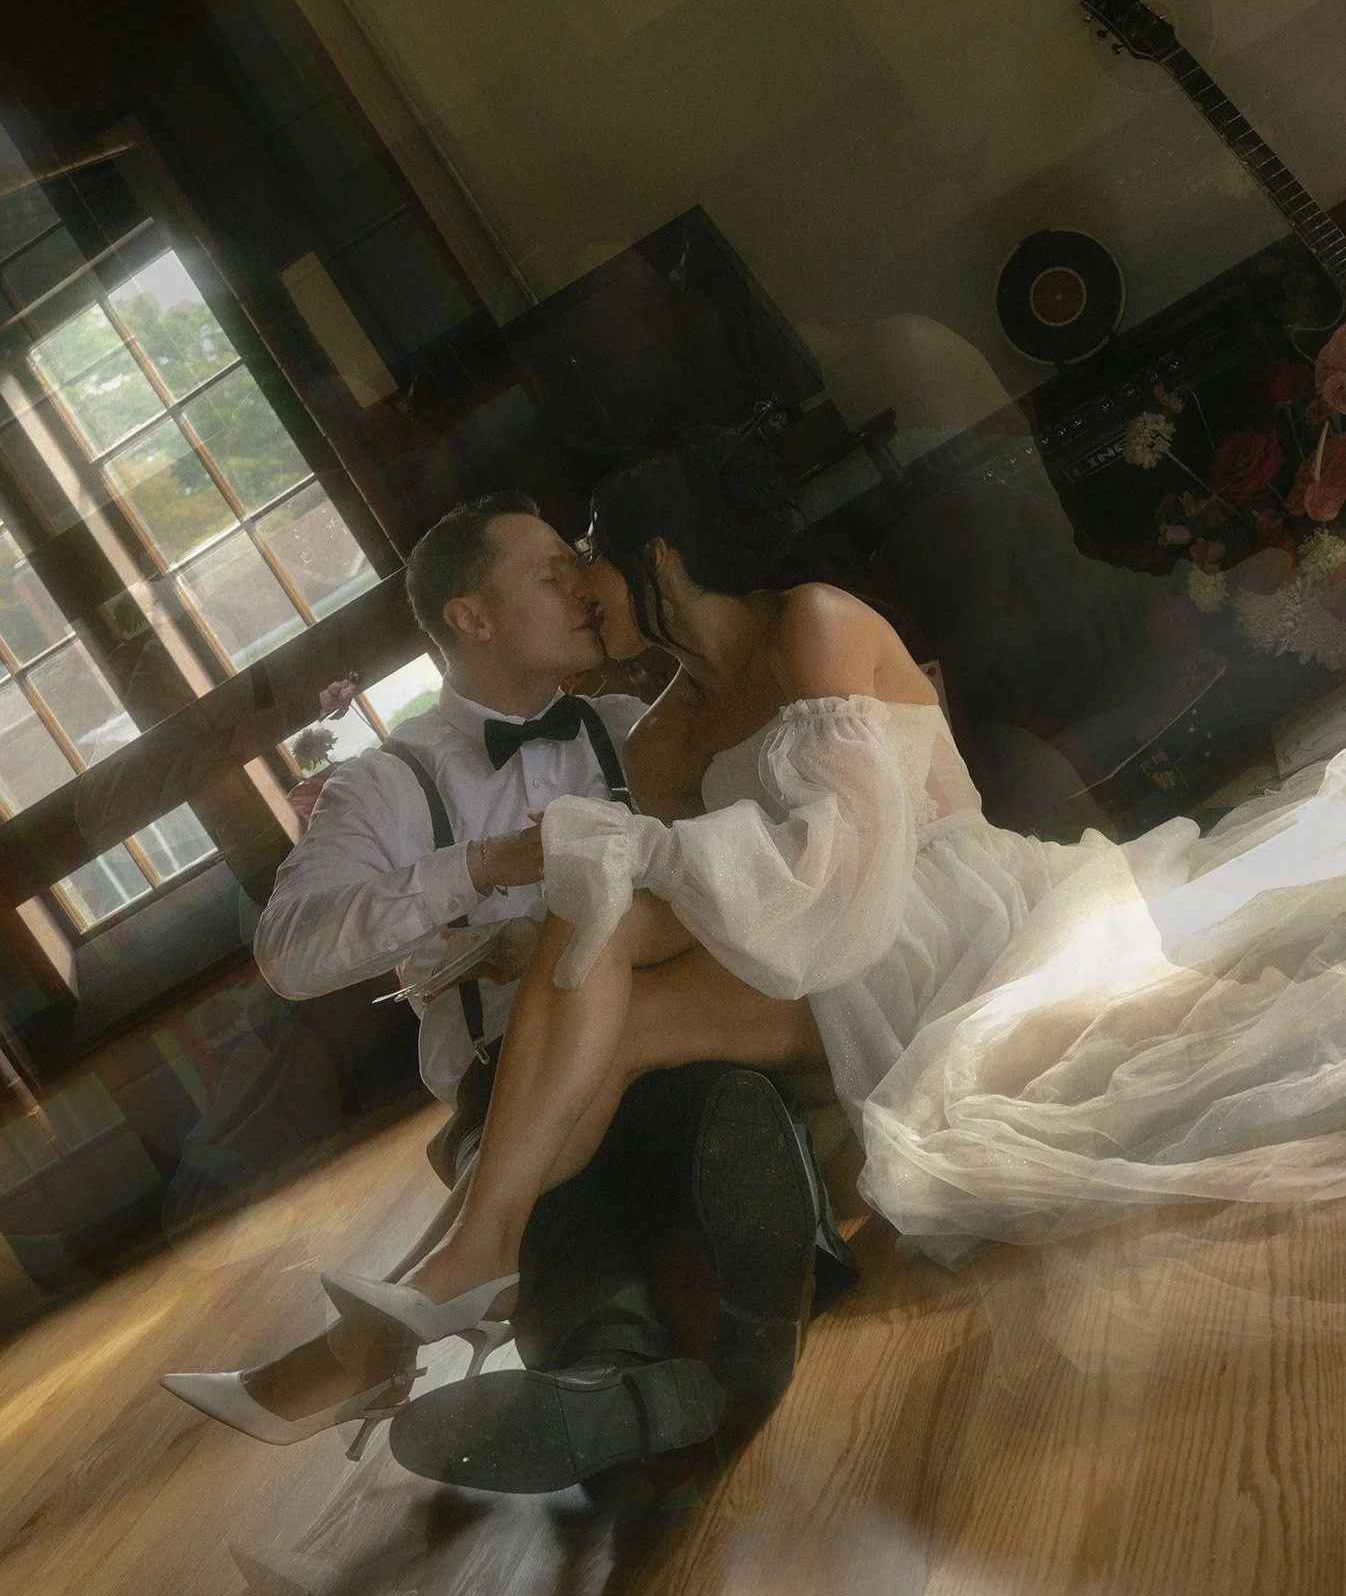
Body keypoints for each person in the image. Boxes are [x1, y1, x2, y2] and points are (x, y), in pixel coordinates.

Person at [321, 441, 1346, 1446]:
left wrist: (616, 865)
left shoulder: (812, 622)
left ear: (661, 554)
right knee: (596, 961)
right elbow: (715, 899)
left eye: (586, 548)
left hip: (947, 916)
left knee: (600, 951)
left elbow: (842, 873)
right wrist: (584, 897)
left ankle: (451, 1271)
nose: (580, 582)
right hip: (812, 958)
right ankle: (457, 1270)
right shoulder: (654, 737)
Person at [161, 490, 854, 1490]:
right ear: (470, 618)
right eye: (549, 573)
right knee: (562, 1138)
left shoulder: (636, 724)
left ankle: (581, 1371)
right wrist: (480, 864)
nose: (581, 586)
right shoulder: (385, 785)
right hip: (510, 1076)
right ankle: (635, 1366)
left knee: (689, 1106)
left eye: (582, 566)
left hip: (673, 1035)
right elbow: (291, 950)